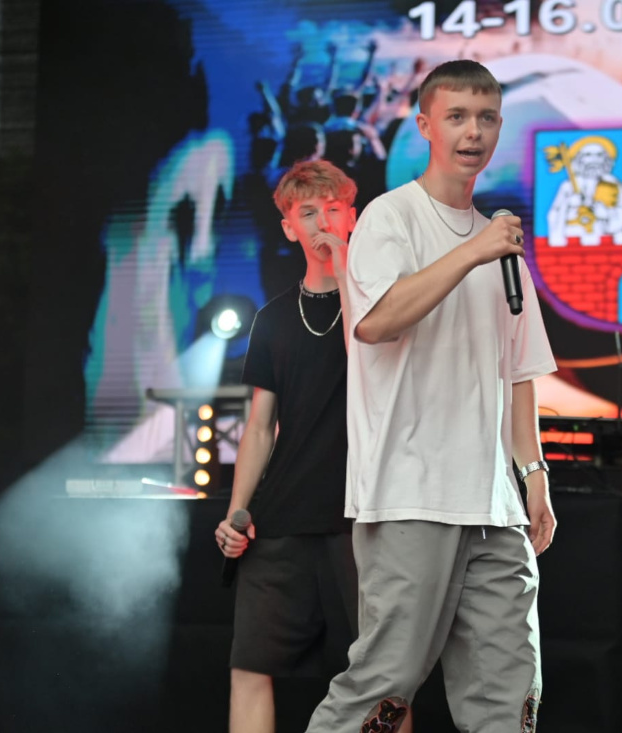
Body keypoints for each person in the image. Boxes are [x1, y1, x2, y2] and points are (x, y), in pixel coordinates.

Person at [305, 59, 558, 733]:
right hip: (409, 492)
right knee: (382, 688)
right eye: (457, 117)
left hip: (494, 504)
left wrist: (533, 475)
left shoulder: (502, 242)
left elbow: (519, 370)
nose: (473, 132)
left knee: (511, 692)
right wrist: (472, 252)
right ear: (424, 125)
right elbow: (376, 322)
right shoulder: (391, 218)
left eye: (486, 118)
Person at [215, 160, 411, 733]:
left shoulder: (385, 306)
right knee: (250, 665)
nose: (321, 222)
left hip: (363, 515)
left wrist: (347, 268)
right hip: (282, 515)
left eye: (333, 209)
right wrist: (236, 512)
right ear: (288, 227)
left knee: (384, 677)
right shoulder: (273, 318)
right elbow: (259, 427)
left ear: (353, 217)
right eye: (307, 212)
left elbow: (366, 357)